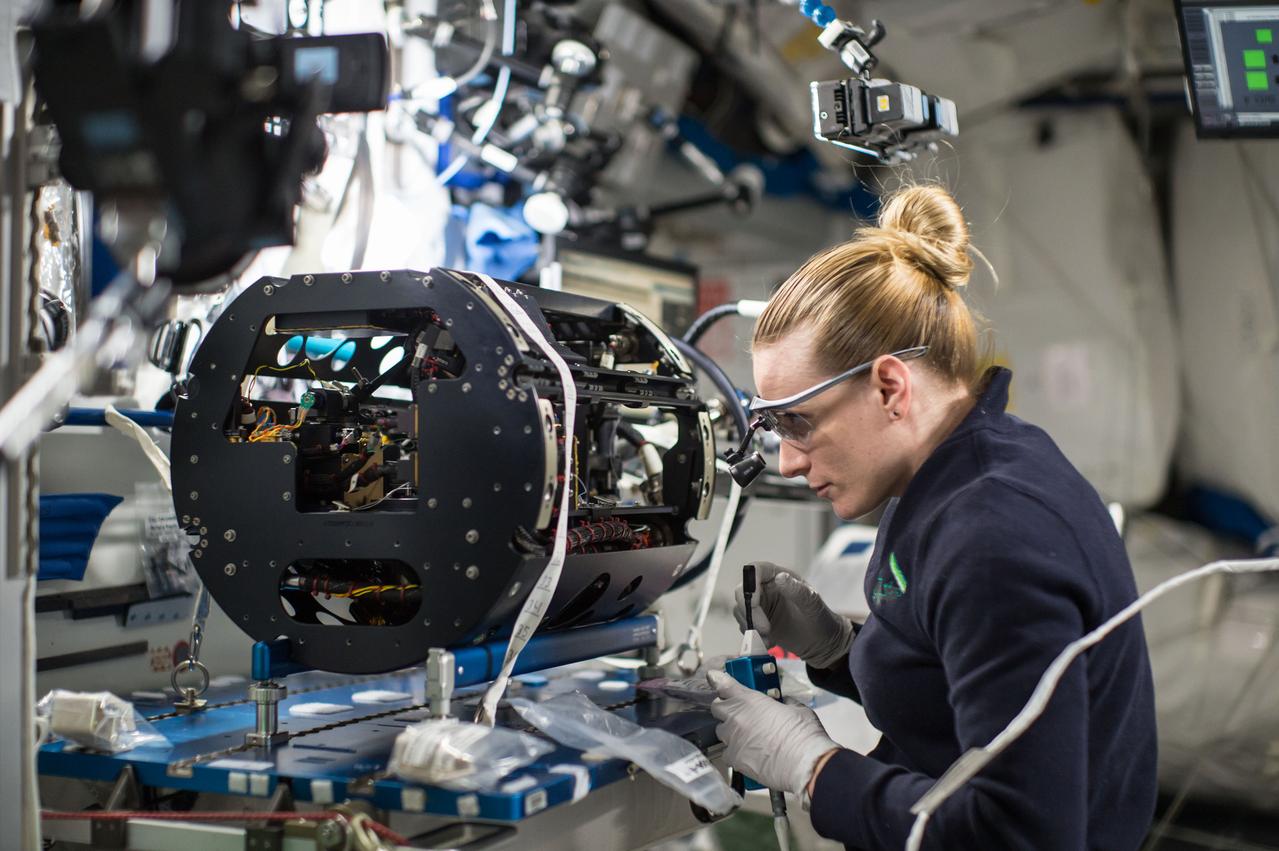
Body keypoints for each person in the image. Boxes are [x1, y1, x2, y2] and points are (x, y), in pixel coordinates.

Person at [706, 184, 1157, 849]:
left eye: (797, 423)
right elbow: (959, 688)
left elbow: (1016, 833)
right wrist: (838, 650)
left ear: (889, 385)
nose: (790, 463)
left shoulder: (992, 536)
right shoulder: (955, 476)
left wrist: (813, 769)